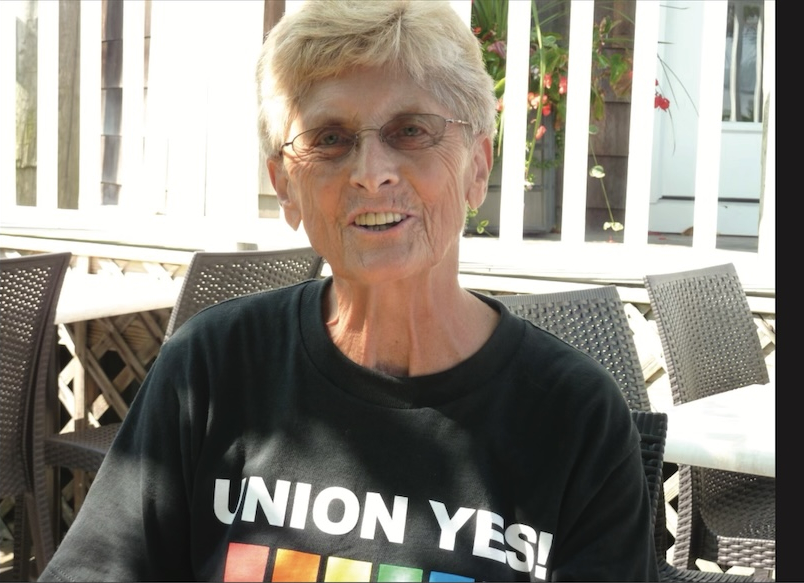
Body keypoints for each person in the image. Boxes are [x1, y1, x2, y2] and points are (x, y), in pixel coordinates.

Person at [38, 1, 657, 580]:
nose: (371, 173)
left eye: (411, 130)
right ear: (284, 186)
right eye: (329, 139)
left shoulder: (575, 420)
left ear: (477, 165)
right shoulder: (213, 366)